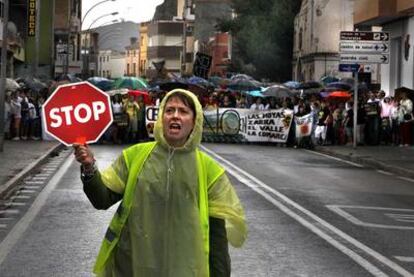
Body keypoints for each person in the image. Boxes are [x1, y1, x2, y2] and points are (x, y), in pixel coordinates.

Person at [73, 89, 247, 277]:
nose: (175, 116)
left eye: (183, 111)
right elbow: (102, 199)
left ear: (194, 122)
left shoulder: (210, 170)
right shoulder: (135, 156)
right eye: (169, 110)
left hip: (186, 269)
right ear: (161, 117)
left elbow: (217, 240)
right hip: (134, 266)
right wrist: (89, 167)